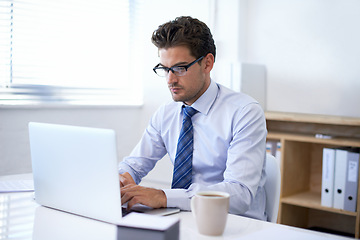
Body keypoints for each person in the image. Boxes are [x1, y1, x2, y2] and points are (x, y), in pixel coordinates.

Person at [119, 16, 267, 220]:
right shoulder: (166, 113)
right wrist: (121, 180)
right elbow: (134, 165)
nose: (170, 80)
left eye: (180, 68)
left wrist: (163, 197)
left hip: (234, 223)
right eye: (165, 69)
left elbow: (240, 194)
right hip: (180, 217)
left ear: (207, 63)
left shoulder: (244, 112)